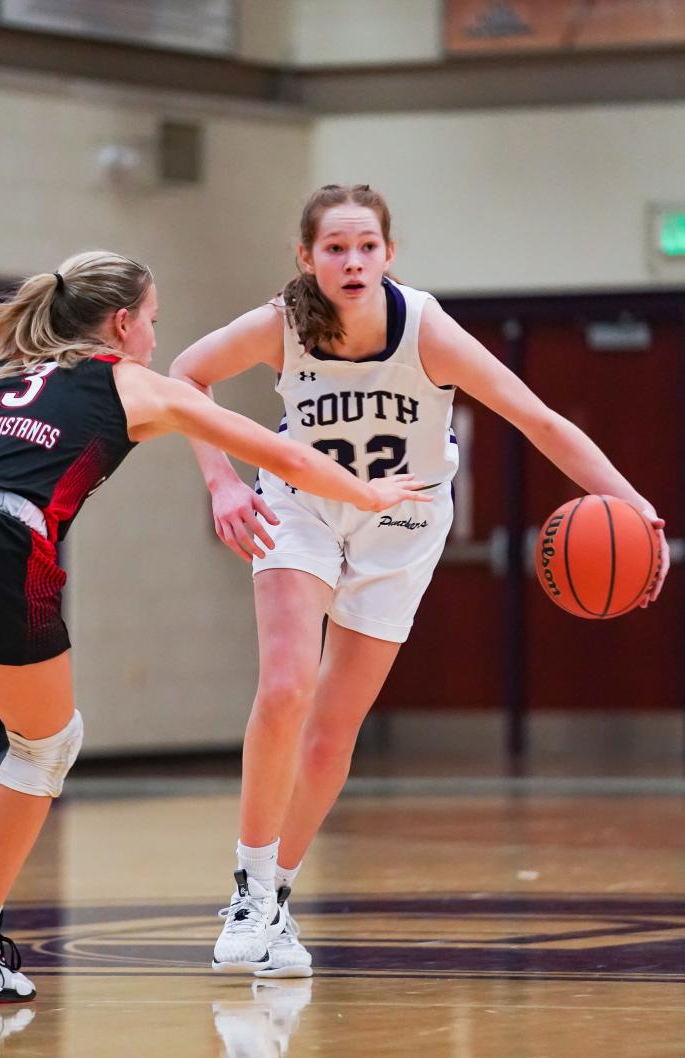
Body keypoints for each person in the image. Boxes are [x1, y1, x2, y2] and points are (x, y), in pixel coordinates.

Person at [0, 249, 429, 1003]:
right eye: (154, 322)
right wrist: (363, 493)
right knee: (48, 745)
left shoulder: (1, 373)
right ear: (123, 323)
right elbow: (280, 450)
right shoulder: (133, 383)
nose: (158, 341)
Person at [169, 184, 670, 978]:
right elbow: (184, 378)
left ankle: (281, 901)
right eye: (335, 247)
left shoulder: (427, 330)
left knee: (335, 731)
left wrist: (634, 506)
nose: (353, 261)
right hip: (300, 507)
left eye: (367, 246)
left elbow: (540, 420)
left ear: (390, 254)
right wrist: (223, 483)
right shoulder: (282, 324)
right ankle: (248, 886)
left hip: (402, 523)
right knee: (285, 689)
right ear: (307, 258)